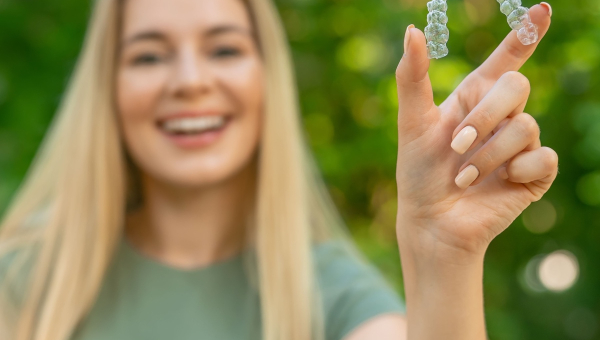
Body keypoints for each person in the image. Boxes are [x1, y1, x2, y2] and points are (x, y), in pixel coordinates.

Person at [0, 0, 556, 339]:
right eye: (148, 55)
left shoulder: (332, 296)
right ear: (108, 89)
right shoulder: (23, 280)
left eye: (223, 49)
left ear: (268, 80)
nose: (190, 80)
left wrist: (443, 255)